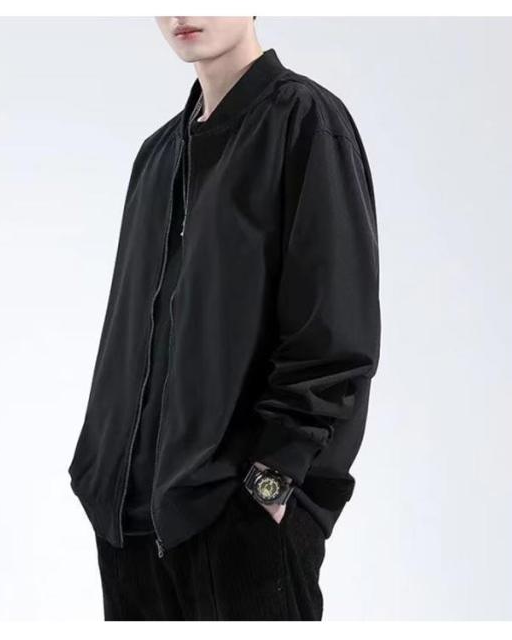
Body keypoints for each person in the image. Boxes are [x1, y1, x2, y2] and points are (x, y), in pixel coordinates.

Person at [68, 16, 381, 621]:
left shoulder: (304, 120)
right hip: (128, 527)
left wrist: (273, 484)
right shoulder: (158, 154)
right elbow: (130, 331)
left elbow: (336, 327)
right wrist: (99, 473)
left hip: (239, 523)